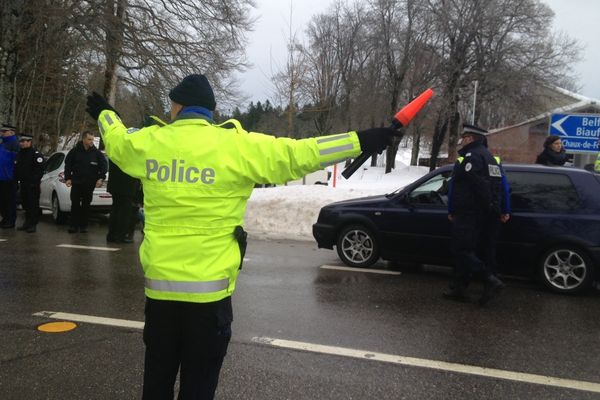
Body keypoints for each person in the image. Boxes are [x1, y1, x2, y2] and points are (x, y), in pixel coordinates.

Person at [86, 73, 397, 399]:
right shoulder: (239, 147)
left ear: (177, 107)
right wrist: (361, 140)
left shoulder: (150, 142)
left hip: (161, 298)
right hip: (210, 302)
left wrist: (107, 114)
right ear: (209, 111)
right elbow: (300, 154)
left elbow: (118, 142)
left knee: (156, 384)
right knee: (199, 387)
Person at [445, 124, 510, 306]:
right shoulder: (489, 157)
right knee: (469, 250)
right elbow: (496, 185)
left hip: (469, 212)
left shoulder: (472, 157)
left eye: (464, 137)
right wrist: (492, 207)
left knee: (461, 249)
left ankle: (490, 280)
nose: (461, 140)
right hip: (481, 213)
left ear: (470, 139)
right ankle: (459, 289)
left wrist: (486, 204)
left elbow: (478, 184)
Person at [64, 131, 107, 233]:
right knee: (75, 203)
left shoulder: (97, 154)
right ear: (83, 139)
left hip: (89, 183)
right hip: (77, 182)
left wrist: (101, 178)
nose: (91, 141)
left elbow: (104, 166)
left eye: (92, 139)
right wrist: (68, 178)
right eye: (89, 139)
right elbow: (68, 165)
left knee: (86, 204)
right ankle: (73, 226)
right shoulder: (74, 151)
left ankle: (83, 226)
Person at [14, 133, 45, 232]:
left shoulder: (36, 154)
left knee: (33, 205)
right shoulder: (20, 154)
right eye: (21, 141)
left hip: (32, 184)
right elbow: (17, 168)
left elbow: (39, 169)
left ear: (29, 142)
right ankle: (27, 223)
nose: (22, 143)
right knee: (25, 204)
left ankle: (33, 224)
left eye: (24, 141)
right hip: (23, 183)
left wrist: (34, 181)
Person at [106, 159, 140, 243]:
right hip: (127, 185)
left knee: (115, 209)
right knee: (125, 212)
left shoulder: (115, 149)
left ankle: (111, 235)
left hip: (115, 183)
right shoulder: (129, 151)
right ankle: (121, 236)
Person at [0, 124, 19, 229]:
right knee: (2, 200)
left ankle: (10, 220)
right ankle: (5, 218)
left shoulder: (14, 144)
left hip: (9, 177)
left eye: (4, 131)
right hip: (1, 176)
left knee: (9, 200)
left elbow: (17, 161)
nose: (2, 133)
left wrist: (13, 174)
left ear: (11, 132)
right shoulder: (3, 144)